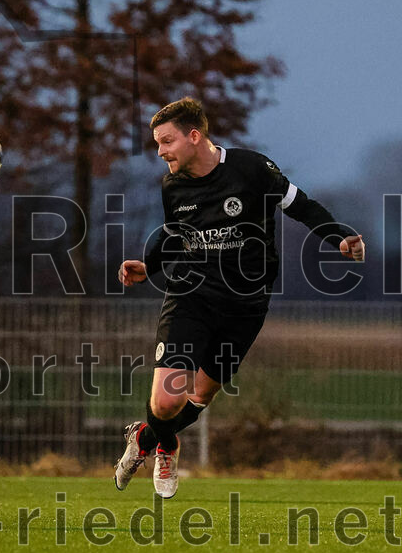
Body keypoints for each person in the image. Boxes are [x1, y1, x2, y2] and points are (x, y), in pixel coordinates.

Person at [114, 97, 364, 498]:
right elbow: (177, 234)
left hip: (246, 306)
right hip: (191, 296)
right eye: (157, 144)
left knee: (201, 395)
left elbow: (300, 206)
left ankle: (144, 438)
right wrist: (149, 266)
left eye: (166, 141)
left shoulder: (251, 169)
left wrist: (338, 238)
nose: (160, 152)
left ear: (194, 136)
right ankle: (166, 443)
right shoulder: (173, 185)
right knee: (166, 402)